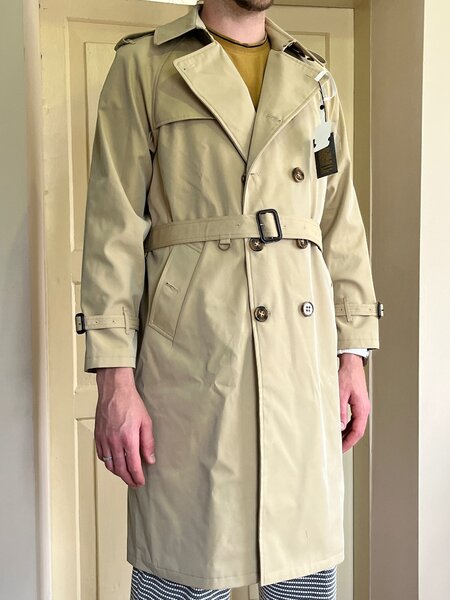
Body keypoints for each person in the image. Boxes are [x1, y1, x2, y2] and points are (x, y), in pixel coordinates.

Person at [75, 0, 383, 598]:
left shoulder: (315, 79)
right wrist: (114, 380)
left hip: (301, 353)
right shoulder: (145, 65)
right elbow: (113, 226)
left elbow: (341, 222)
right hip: (190, 353)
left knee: (301, 563)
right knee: (186, 562)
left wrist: (353, 356)